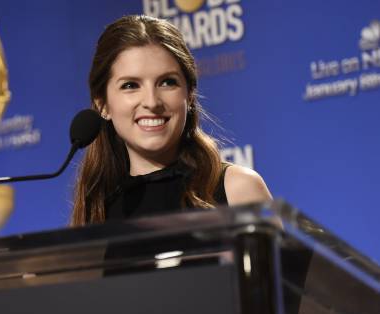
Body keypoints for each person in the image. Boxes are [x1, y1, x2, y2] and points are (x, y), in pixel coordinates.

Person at [71, 15, 271, 226]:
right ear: (103, 105)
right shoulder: (95, 211)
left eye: (167, 82)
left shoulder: (238, 189)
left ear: (190, 94)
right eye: (130, 85)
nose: (152, 102)